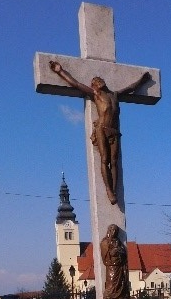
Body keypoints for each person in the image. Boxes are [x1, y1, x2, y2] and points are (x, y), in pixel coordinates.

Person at [49, 61, 151, 204]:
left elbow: (131, 88)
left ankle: (114, 190)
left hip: (114, 131)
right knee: (105, 159)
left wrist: (142, 80)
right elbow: (76, 84)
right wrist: (60, 71)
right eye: (95, 81)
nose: (98, 81)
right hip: (101, 129)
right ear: (94, 86)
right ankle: (108, 190)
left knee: (114, 161)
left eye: (99, 79)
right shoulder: (96, 94)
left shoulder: (115, 95)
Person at [101, 225, 129, 299]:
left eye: (115, 230)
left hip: (119, 265)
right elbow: (105, 254)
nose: (113, 232)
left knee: (120, 282)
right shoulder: (105, 242)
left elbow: (123, 251)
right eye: (112, 230)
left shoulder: (117, 241)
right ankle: (108, 298)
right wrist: (112, 252)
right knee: (111, 282)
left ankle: (120, 298)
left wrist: (119, 251)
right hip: (111, 265)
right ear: (109, 231)